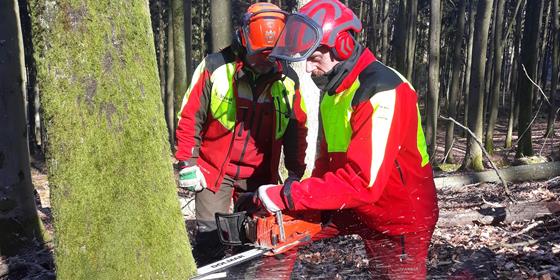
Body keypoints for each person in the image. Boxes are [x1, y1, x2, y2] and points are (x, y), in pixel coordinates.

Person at [256, 0, 439, 278]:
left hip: (399, 214)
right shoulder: (333, 91)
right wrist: (295, 199)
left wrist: (288, 194)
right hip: (356, 205)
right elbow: (325, 165)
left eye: (314, 59)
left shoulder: (382, 90)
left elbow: (363, 183)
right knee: (279, 227)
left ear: (342, 46)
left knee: (390, 273)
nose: (307, 70)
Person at [175, 2, 308, 266]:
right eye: (260, 55)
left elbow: (297, 131)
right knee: (209, 236)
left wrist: (295, 174)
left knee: (255, 241)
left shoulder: (288, 80)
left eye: (271, 55)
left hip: (260, 174)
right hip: (214, 170)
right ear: (244, 42)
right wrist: (187, 161)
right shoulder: (216, 67)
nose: (265, 62)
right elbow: (191, 116)